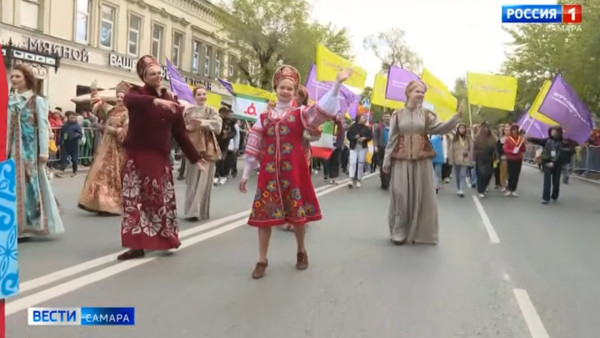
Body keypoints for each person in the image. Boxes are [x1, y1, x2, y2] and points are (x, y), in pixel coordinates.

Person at [238, 65, 351, 279]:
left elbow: (322, 111)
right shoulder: (264, 118)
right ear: (276, 88)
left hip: (294, 171)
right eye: (282, 87)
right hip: (269, 173)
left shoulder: (300, 114)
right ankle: (262, 259)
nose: (285, 91)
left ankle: (301, 250)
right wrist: (245, 174)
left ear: (294, 92)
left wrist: (337, 84)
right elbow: (253, 146)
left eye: (290, 88)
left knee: (298, 215)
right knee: (264, 216)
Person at [117, 55, 207, 260]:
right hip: (138, 156)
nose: (157, 76)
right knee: (135, 201)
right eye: (152, 74)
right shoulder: (136, 93)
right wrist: (154, 100)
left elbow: (180, 133)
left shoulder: (171, 99)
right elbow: (131, 101)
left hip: (159, 157)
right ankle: (136, 245)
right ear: (144, 77)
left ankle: (164, 239)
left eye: (159, 73)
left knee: (158, 201)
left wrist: (194, 158)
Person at [382, 80, 462, 245]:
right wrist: (386, 159)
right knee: (400, 195)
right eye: (417, 91)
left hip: (421, 161)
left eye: (423, 92)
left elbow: (440, 128)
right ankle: (399, 229)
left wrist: (456, 118)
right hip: (401, 160)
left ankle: (420, 232)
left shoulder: (427, 115)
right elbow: (392, 139)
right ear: (408, 92)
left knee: (422, 196)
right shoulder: (397, 114)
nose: (421, 94)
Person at [7, 63, 64, 238]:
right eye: (13, 76)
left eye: (18, 76)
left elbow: (43, 126)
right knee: (10, 186)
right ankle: (12, 225)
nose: (14, 79)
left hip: (29, 151)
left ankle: (27, 226)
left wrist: (44, 152)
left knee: (29, 187)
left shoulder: (37, 101)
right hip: (10, 150)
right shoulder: (9, 100)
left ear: (27, 79)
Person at [78, 82, 130, 215]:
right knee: (98, 173)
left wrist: (109, 129)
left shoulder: (128, 114)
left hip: (117, 150)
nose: (119, 99)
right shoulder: (112, 110)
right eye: (118, 96)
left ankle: (111, 204)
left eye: (122, 97)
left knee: (112, 176)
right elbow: (98, 104)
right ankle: (99, 203)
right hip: (105, 147)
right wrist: (94, 90)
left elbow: (124, 134)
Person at [182, 85, 223, 221]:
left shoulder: (211, 110)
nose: (202, 97)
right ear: (194, 96)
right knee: (191, 180)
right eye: (199, 94)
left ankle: (198, 211)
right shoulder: (188, 111)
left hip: (208, 148)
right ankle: (190, 211)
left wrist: (203, 123)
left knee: (204, 182)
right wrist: (189, 127)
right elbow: (181, 128)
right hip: (192, 148)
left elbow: (218, 125)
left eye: (204, 94)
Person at [527, 126, 576, 204]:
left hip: (557, 163)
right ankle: (545, 198)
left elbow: (571, 150)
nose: (553, 132)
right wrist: (530, 139)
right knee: (547, 180)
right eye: (552, 130)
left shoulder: (564, 142)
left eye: (555, 131)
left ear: (558, 132)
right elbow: (540, 141)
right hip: (547, 161)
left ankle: (555, 195)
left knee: (556, 181)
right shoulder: (548, 140)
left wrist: (562, 152)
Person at [346, 114, 373, 188]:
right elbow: (348, 136)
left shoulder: (367, 128)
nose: (364, 119)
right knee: (353, 162)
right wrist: (354, 138)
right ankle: (351, 179)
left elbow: (370, 137)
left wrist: (364, 138)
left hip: (362, 147)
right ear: (359, 118)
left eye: (365, 118)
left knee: (361, 163)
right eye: (363, 117)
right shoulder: (352, 127)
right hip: (354, 146)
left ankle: (359, 179)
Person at [473, 121, 497, 198]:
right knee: (481, 175)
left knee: (488, 174)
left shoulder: (492, 137)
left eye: (488, 127)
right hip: (480, 158)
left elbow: (495, 149)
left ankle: (486, 185)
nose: (486, 129)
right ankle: (481, 190)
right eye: (485, 127)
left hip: (489, 158)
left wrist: (496, 157)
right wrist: (473, 159)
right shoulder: (478, 137)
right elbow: (474, 149)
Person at [502, 124, 526, 197]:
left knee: (516, 174)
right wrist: (512, 151)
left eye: (516, 130)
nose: (514, 131)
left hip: (518, 159)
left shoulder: (520, 139)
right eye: (513, 130)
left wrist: (523, 144)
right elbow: (505, 149)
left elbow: (523, 150)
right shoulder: (508, 139)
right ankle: (509, 189)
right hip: (511, 159)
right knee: (511, 174)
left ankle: (514, 189)